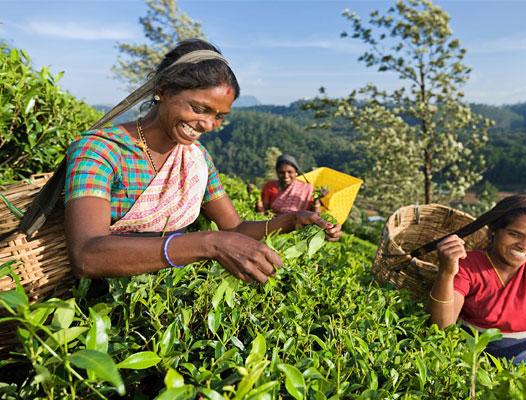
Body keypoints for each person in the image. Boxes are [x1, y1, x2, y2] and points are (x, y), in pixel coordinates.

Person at [64, 39, 341, 283]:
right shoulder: (101, 151)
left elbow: (236, 229)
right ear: (163, 89)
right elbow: (87, 255)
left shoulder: (197, 160)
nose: (208, 125)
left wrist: (292, 220)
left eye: (219, 116)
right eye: (199, 109)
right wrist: (209, 243)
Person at [427, 194, 526, 369]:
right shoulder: (467, 265)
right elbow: (441, 327)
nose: (524, 245)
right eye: (515, 234)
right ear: (493, 230)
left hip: (522, 372)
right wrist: (446, 272)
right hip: (471, 370)